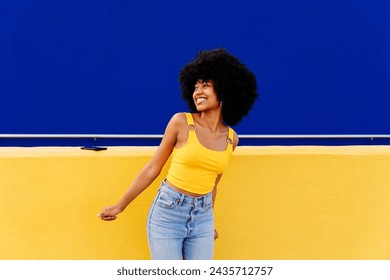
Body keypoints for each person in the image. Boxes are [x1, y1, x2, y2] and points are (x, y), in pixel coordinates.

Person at [98, 48, 258, 260]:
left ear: (225, 91)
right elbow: (152, 168)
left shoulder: (231, 138)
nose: (198, 91)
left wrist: (209, 220)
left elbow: (213, 184)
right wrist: (120, 205)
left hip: (203, 217)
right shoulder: (181, 122)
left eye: (206, 86)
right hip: (168, 212)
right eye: (195, 87)